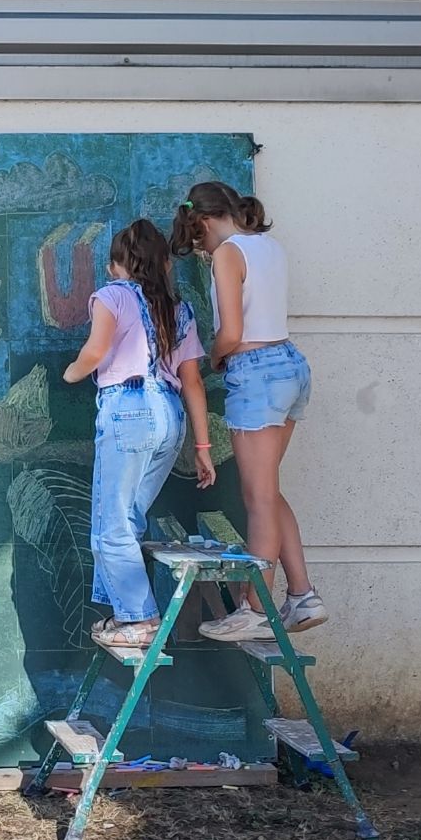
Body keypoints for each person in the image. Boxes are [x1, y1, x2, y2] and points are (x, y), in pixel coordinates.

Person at [170, 182, 328, 641]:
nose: (204, 254)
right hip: (290, 365)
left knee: (256, 497)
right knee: (269, 490)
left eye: (198, 243)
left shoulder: (228, 253)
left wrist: (216, 357)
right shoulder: (270, 245)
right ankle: (302, 595)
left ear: (202, 222)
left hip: (255, 371)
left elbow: (232, 331)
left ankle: (254, 607)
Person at [62, 219, 216, 647]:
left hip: (128, 409)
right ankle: (126, 614)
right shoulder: (179, 309)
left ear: (115, 266)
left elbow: (94, 351)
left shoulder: (112, 296)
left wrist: (72, 374)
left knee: (110, 524)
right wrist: (202, 447)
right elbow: (193, 382)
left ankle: (140, 620)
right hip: (169, 416)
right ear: (166, 264)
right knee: (128, 519)